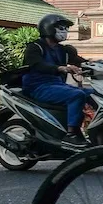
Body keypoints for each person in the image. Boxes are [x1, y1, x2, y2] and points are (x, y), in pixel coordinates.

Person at [22, 14, 93, 146]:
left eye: (66, 29)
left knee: (93, 93)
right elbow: (37, 65)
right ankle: (71, 134)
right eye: (61, 28)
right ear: (48, 29)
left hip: (57, 86)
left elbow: (80, 62)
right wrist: (60, 68)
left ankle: (95, 131)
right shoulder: (35, 47)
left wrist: (99, 65)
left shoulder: (64, 50)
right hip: (38, 87)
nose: (64, 32)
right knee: (77, 95)